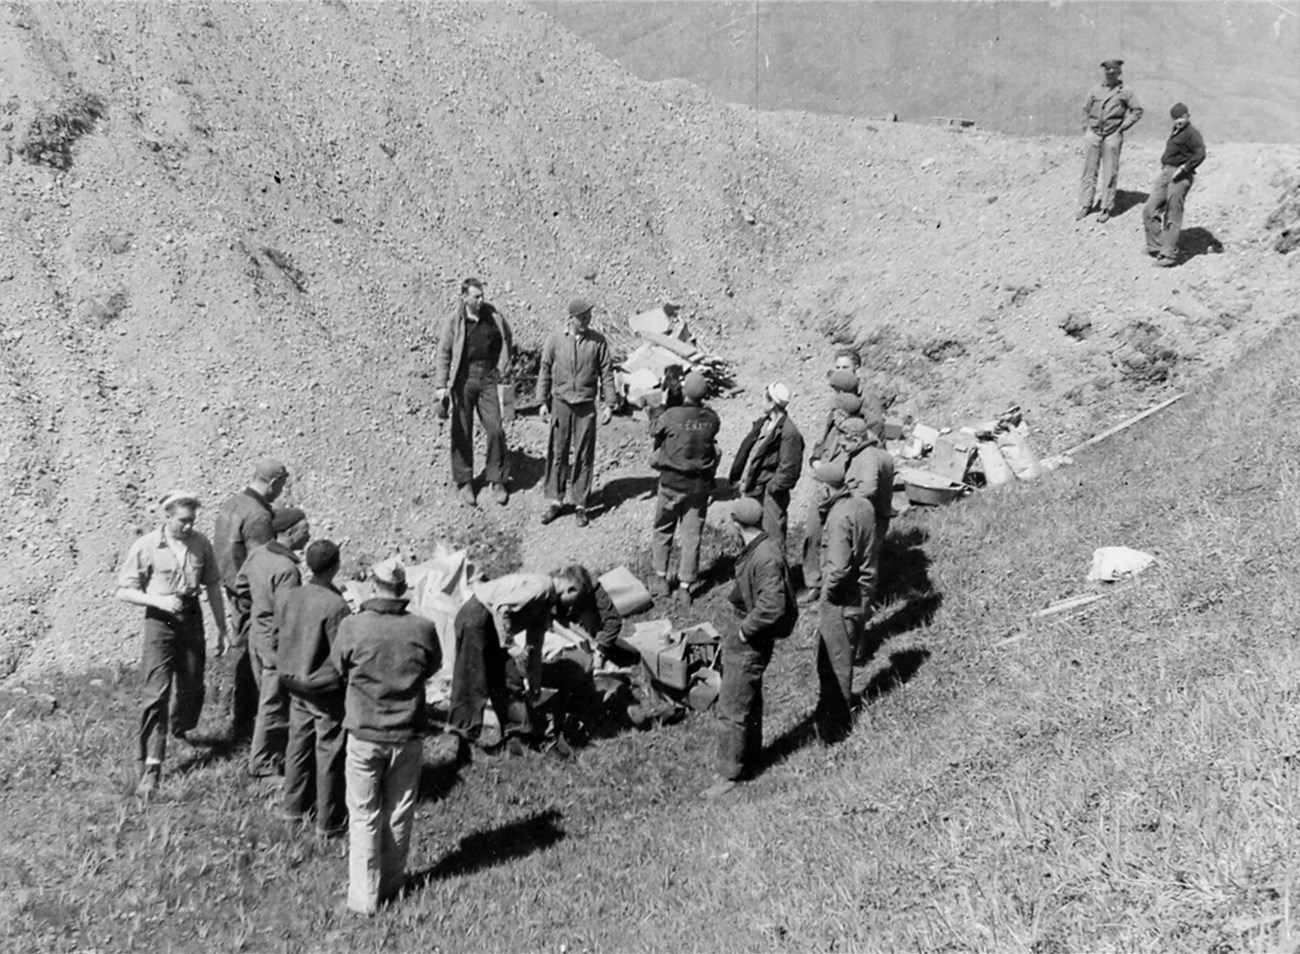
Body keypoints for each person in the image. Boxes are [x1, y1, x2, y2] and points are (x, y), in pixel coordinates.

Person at [332, 557, 441, 916]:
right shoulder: (423, 627)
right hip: (407, 732)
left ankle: (364, 898)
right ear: (403, 588)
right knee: (399, 810)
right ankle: (393, 886)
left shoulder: (352, 626)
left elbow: (338, 667)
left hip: (364, 731)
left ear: (372, 585)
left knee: (364, 813)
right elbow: (434, 666)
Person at [115, 491, 228, 797]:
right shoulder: (147, 546)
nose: (189, 526)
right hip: (159, 621)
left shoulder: (201, 544)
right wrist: (158, 601)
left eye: (192, 520)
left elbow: (213, 585)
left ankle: (179, 727)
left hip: (191, 617)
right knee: (156, 693)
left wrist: (221, 627)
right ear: (167, 516)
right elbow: (124, 590)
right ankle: (151, 764)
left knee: (193, 685)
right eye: (183, 521)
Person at [701, 497, 797, 799]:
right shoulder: (761, 546)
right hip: (748, 631)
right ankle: (750, 756)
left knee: (732, 706)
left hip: (751, 638)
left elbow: (773, 605)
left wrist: (744, 631)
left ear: (737, 524)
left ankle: (730, 774)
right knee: (749, 701)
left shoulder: (765, 557)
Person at [446, 568, 587, 759]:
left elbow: (534, 645)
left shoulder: (545, 603)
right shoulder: (542, 587)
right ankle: (465, 746)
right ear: (571, 589)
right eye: (576, 600)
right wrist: (510, 645)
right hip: (476, 618)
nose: (571, 608)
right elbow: (501, 608)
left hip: (491, 623)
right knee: (473, 680)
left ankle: (519, 737)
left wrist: (535, 682)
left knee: (508, 676)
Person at [277, 539, 351, 839]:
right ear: (335, 566)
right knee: (329, 751)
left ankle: (292, 810)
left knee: (297, 744)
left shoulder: (290, 596)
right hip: (324, 690)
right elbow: (342, 654)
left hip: (294, 683)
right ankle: (329, 822)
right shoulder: (336, 606)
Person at [214, 457, 289, 739]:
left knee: (239, 645)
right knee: (251, 651)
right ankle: (244, 717)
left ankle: (226, 708)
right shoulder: (258, 515)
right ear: (272, 482)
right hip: (248, 592)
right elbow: (262, 562)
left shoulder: (232, 503)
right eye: (281, 485)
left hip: (231, 585)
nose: (282, 490)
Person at [234, 507, 310, 780]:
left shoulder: (258, 554)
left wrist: (251, 616)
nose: (309, 533)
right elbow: (288, 615)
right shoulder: (287, 569)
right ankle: (264, 765)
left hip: (257, 635)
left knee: (266, 698)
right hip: (276, 643)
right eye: (305, 528)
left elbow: (240, 588)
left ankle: (272, 754)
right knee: (274, 702)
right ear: (290, 533)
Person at [433, 277, 515, 508]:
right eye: (476, 296)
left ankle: (497, 478)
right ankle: (465, 481)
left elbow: (507, 338)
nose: (481, 300)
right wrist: (441, 386)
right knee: (462, 431)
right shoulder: (454, 321)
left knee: (496, 428)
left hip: (487, 377)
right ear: (464, 297)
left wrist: (502, 367)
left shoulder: (493, 316)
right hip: (463, 379)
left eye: (482, 296)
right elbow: (444, 354)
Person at [811, 462, 876, 744]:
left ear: (826, 487)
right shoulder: (863, 505)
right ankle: (829, 710)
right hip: (863, 592)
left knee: (835, 663)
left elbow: (838, 568)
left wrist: (825, 595)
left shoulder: (838, 517)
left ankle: (835, 729)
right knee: (838, 655)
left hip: (841, 599)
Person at [537, 298, 616, 528]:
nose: (587, 320)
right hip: (561, 403)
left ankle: (581, 503)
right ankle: (556, 500)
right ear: (570, 318)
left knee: (583, 454)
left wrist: (609, 403)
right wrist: (542, 401)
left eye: (589, 317)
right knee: (558, 451)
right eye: (583, 317)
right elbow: (545, 369)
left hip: (585, 405)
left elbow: (607, 373)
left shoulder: (598, 342)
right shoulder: (555, 340)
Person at [649, 370, 721, 606]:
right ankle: (685, 587)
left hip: (671, 483)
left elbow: (654, 429)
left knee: (663, 529)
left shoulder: (671, 415)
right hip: (698, 488)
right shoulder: (712, 419)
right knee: (692, 537)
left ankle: (660, 580)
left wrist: (661, 403)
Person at [728, 382, 804, 555]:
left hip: (769, 494)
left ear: (772, 404)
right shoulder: (763, 423)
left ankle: (776, 578)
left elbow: (790, 468)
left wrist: (773, 488)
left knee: (773, 537)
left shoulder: (789, 433)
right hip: (752, 487)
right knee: (748, 532)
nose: (761, 402)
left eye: (764, 398)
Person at [1077, 59, 1143, 222]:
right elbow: (1085, 109)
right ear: (1104, 72)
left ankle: (1106, 207)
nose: (1111, 74)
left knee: (1110, 171)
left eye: (1114, 71)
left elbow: (1137, 110)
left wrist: (1123, 127)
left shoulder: (1125, 91)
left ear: (1119, 73)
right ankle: (1086, 204)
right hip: (1094, 133)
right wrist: (1087, 129)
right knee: (1089, 170)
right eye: (1108, 71)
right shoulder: (1095, 90)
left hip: (1112, 134)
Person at [1144, 103, 1207, 267]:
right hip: (1166, 173)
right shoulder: (1177, 131)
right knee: (1150, 209)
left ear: (1187, 116)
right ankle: (1157, 246)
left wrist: (1184, 168)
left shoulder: (1192, 133)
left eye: (1181, 117)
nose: (1178, 121)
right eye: (1175, 118)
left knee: (1173, 213)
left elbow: (1200, 153)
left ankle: (1169, 254)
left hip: (1180, 177)